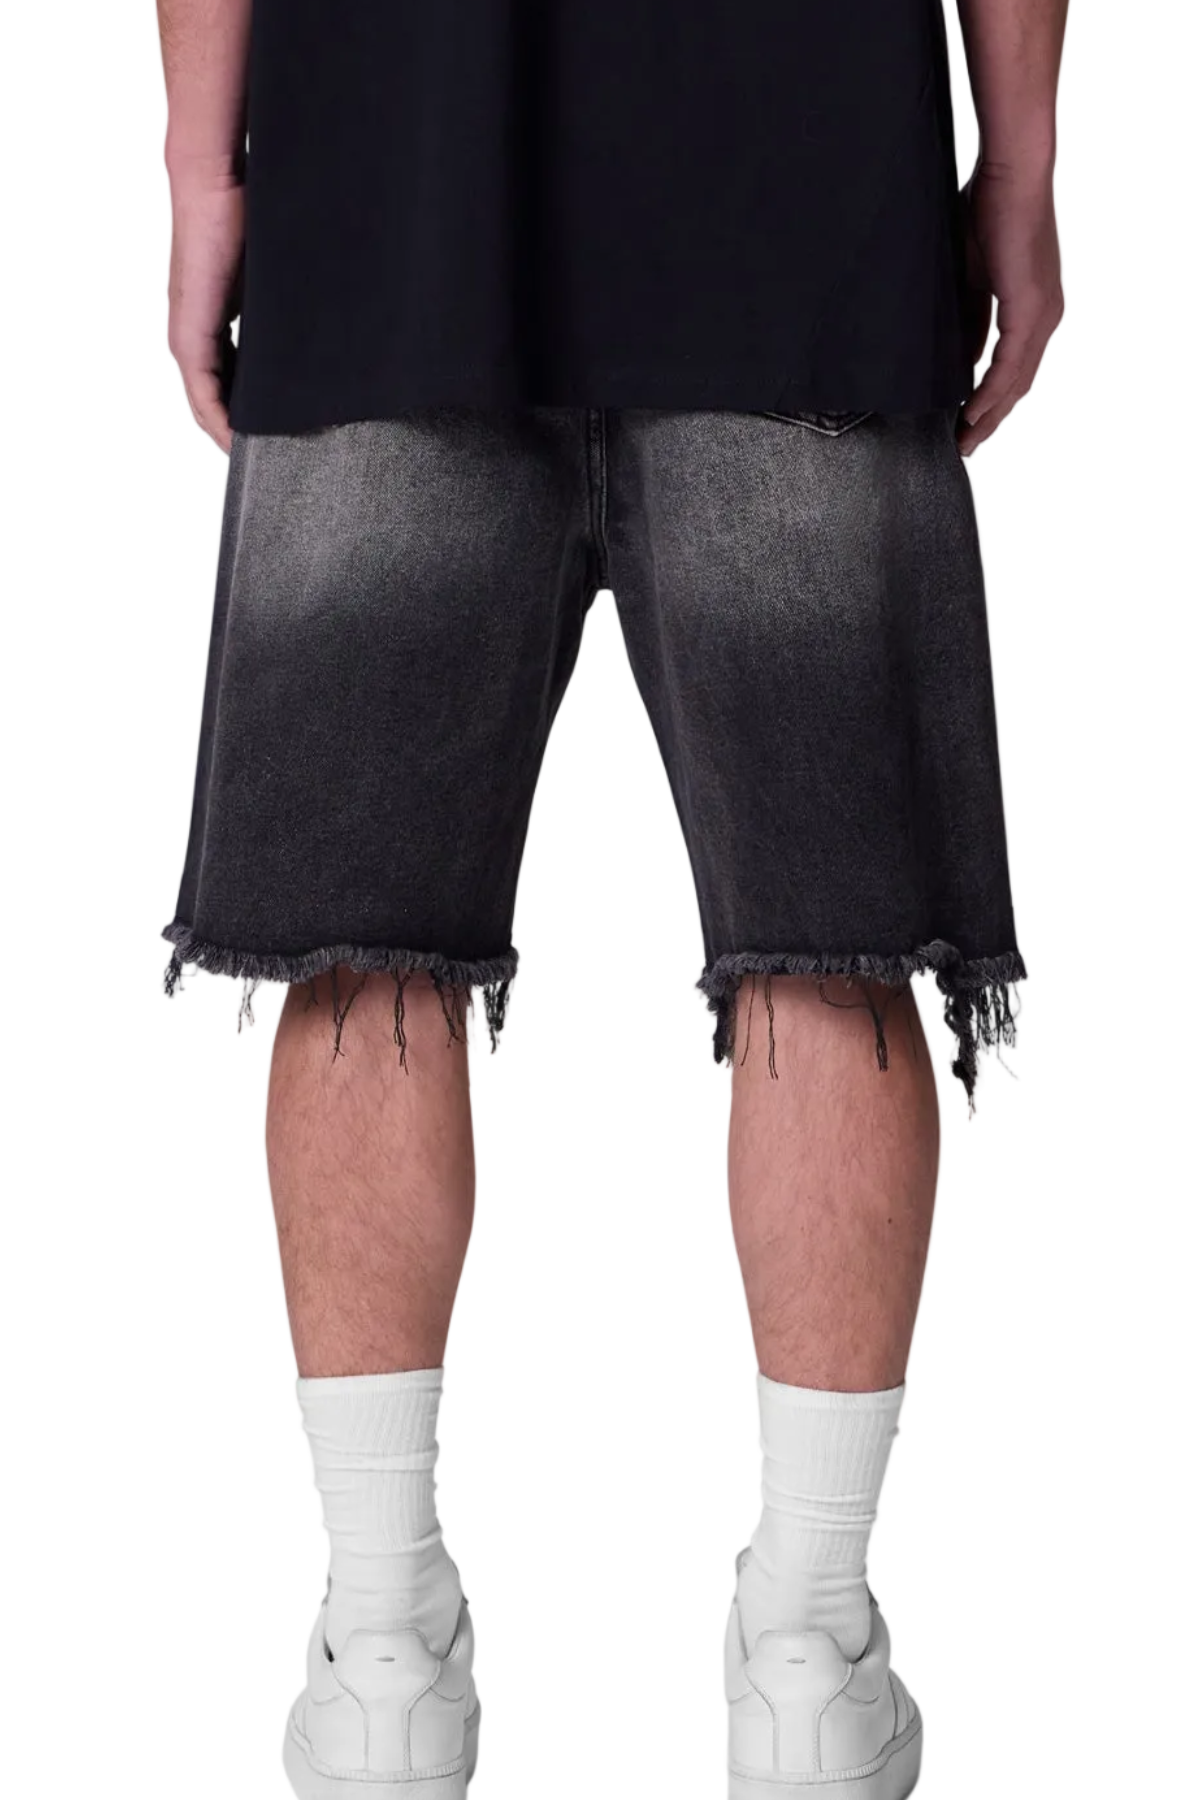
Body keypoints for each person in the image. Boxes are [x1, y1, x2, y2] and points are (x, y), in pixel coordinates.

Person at [156, 2, 1067, 1794]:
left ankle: (383, 1648)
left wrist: (203, 168)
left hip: (384, 173)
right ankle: (809, 1653)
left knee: (365, 948)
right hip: (805, 179)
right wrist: (1019, 160)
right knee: (827, 939)